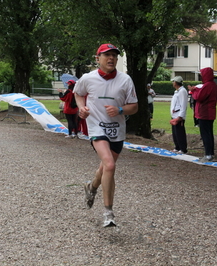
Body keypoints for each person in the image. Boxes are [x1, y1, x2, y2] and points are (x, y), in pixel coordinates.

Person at [74, 43, 138, 227]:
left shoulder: (125, 80)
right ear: (98, 58)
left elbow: (134, 107)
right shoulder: (88, 78)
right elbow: (78, 93)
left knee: (105, 168)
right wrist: (82, 109)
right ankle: (108, 213)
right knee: (109, 164)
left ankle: (91, 187)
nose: (111, 58)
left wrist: (120, 109)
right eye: (107, 55)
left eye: (114, 56)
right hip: (96, 128)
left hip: (117, 131)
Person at [188, 67, 217, 162]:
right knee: (209, 133)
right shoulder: (212, 85)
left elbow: (199, 97)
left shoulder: (208, 85)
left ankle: (208, 154)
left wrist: (193, 91)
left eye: (201, 75)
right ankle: (210, 153)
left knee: (205, 134)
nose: (201, 77)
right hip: (209, 113)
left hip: (205, 113)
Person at [170, 76, 188, 154]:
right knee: (175, 132)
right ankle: (177, 147)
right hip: (174, 115)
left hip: (178, 115)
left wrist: (180, 116)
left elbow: (183, 104)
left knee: (180, 132)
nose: (172, 83)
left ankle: (183, 148)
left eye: (173, 82)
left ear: (176, 82)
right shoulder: (177, 91)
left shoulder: (182, 91)